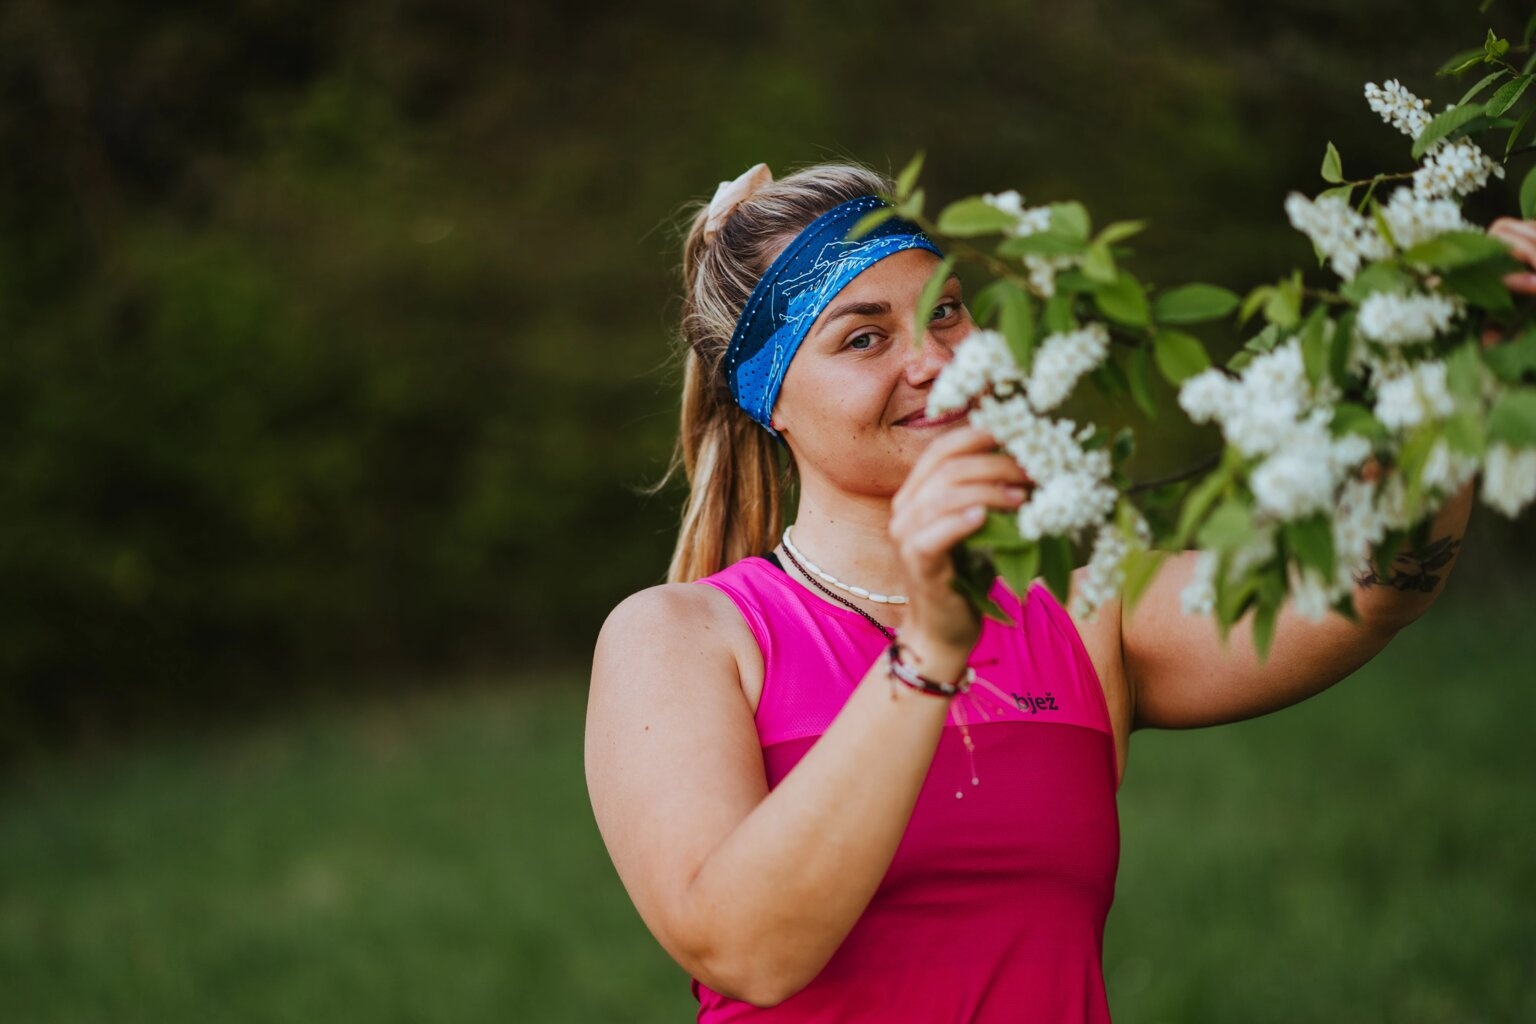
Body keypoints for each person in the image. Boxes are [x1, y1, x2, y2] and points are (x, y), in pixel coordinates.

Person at [585, 160, 1529, 1021]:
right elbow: (746, 950)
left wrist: (1451, 367)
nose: (934, 361)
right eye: (864, 337)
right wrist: (926, 660)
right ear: (767, 397)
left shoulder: (1079, 612)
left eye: (946, 311)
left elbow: (1370, 587)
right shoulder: (682, 638)